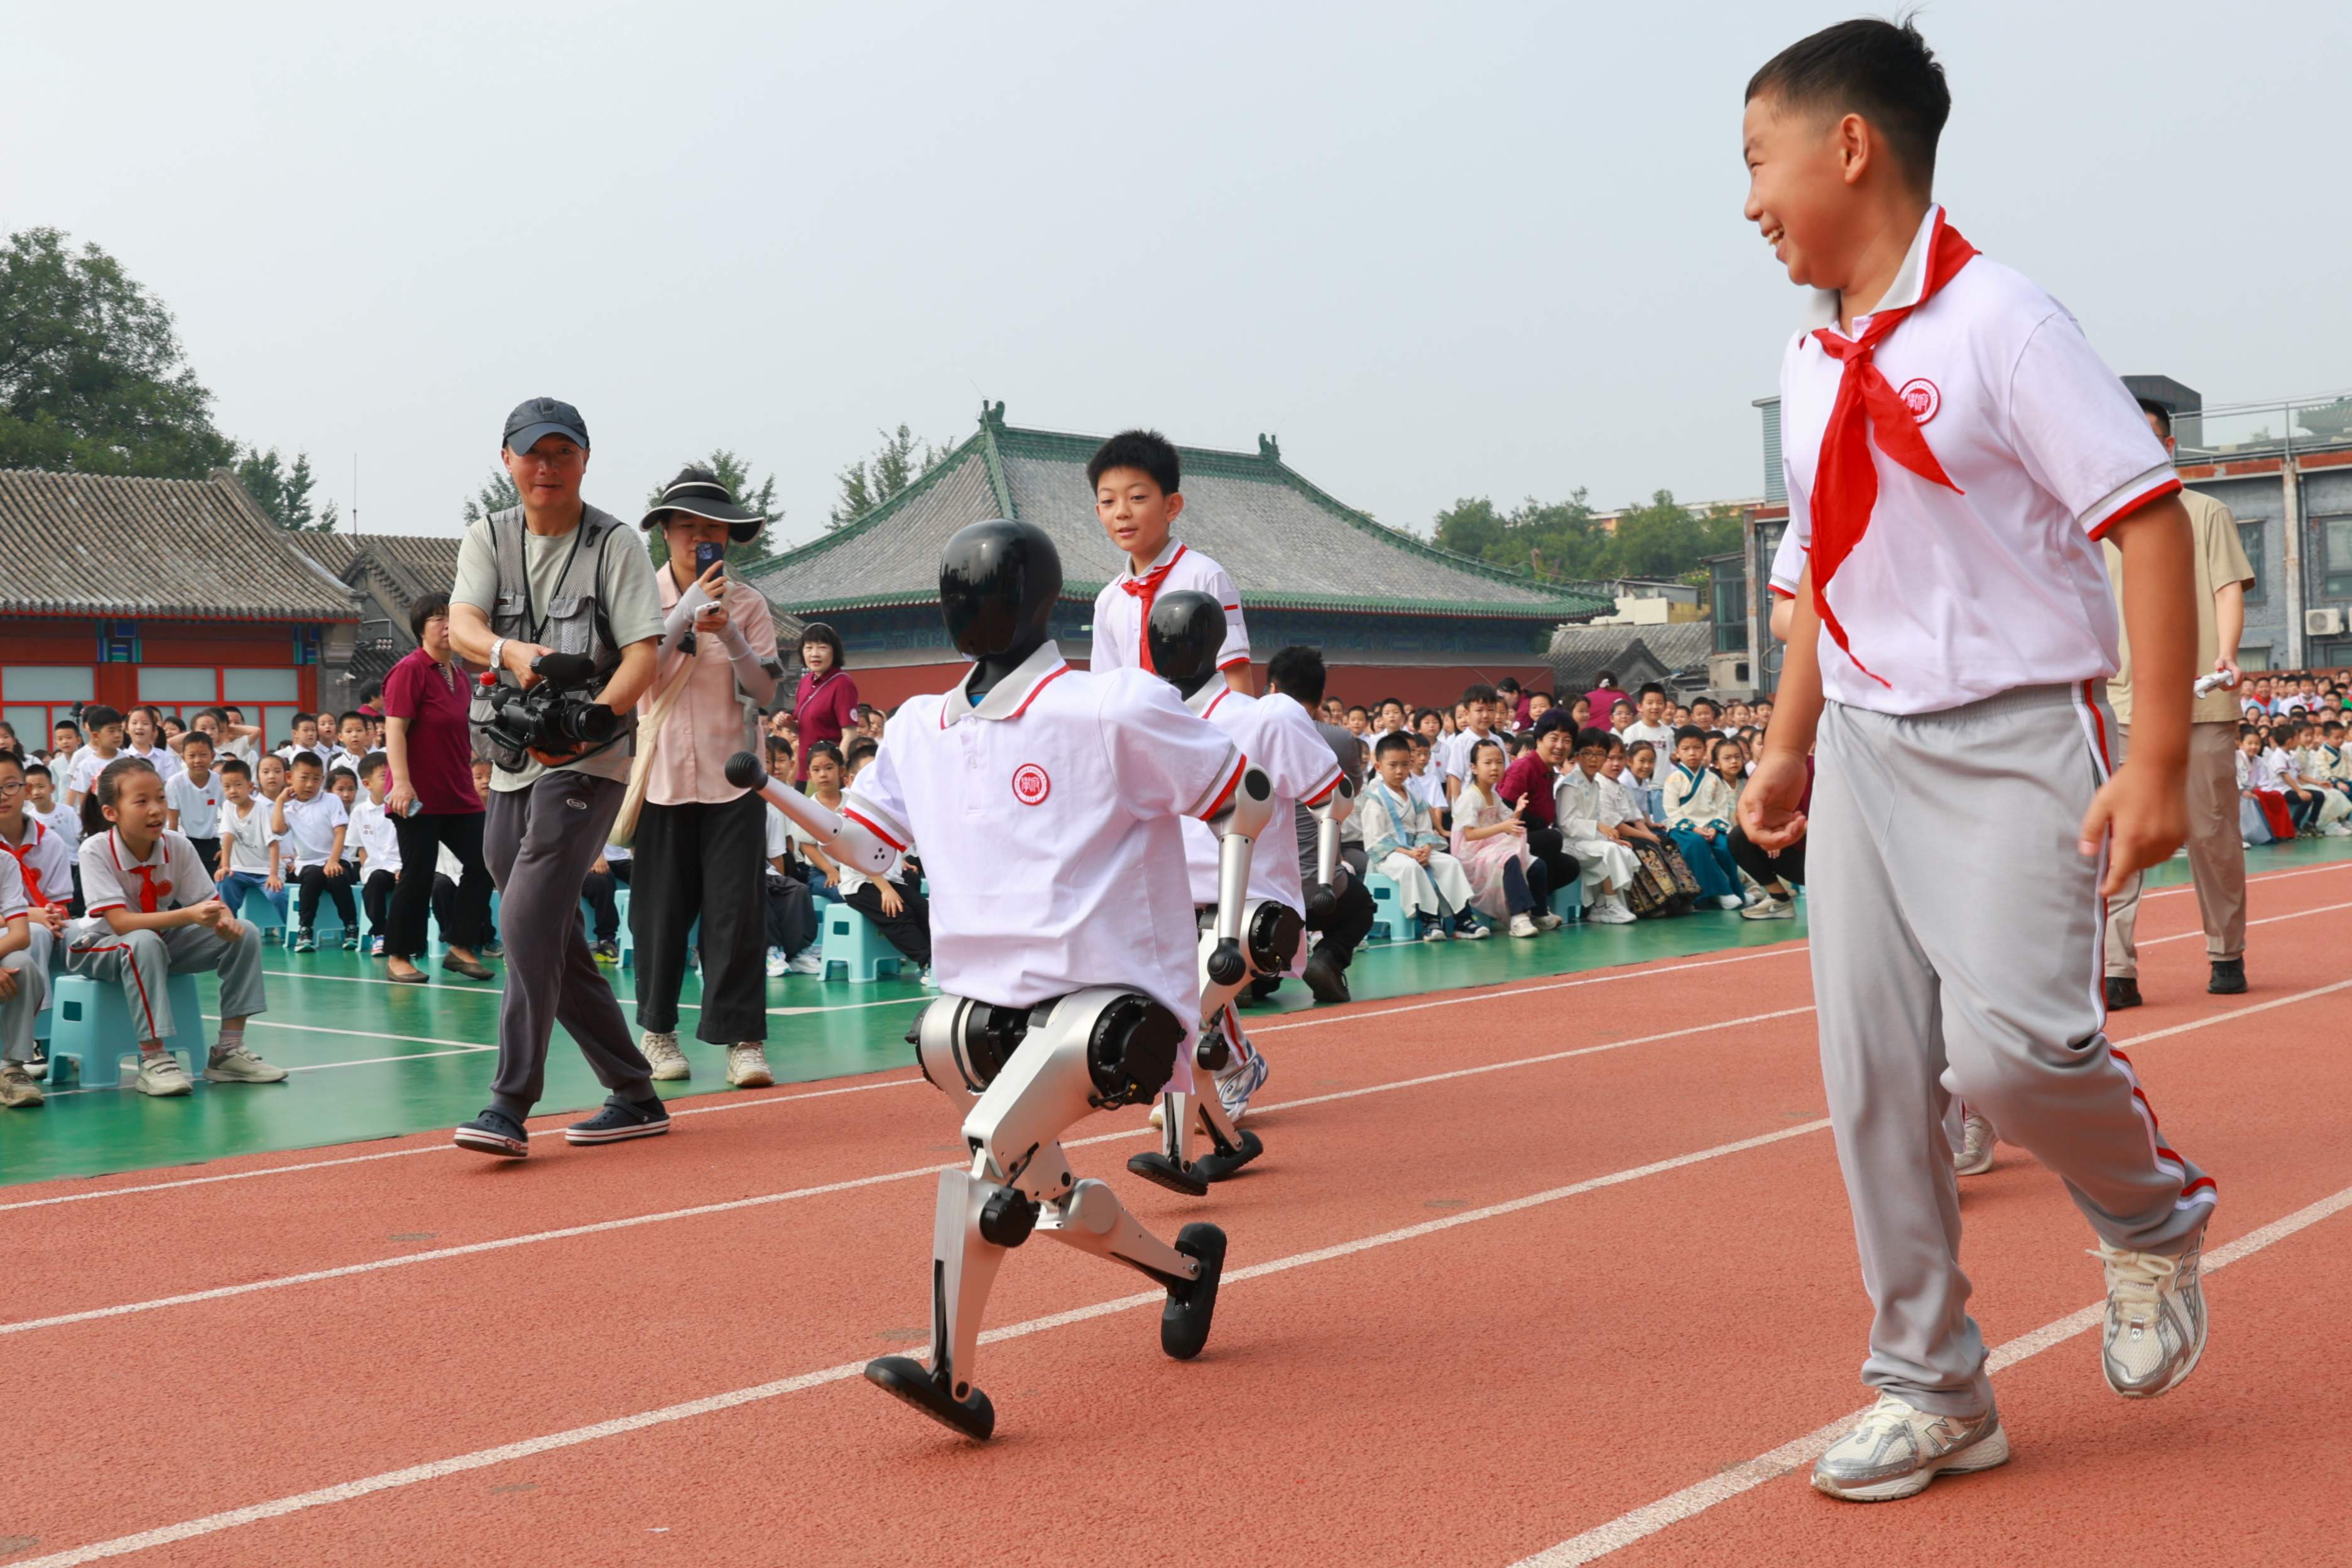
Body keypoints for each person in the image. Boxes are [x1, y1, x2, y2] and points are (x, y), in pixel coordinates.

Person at [1735, 19, 2214, 1503]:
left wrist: (2148, 758)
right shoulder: (1812, 362)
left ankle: (2147, 1211)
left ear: (1849, 147)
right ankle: (1930, 1382)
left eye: (1757, 161)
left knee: (2003, 1054)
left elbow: (2140, 518)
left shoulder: (2002, 322)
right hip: (1865, 755)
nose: (1747, 201)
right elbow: (1818, 578)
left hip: (2011, 736)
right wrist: (1781, 745)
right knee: (1877, 1079)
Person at [766, 516, 1258, 1437]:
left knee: (990, 1155)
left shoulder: (1112, 708)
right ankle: (1184, 1270)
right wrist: (775, 793)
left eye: (986, 588)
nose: (968, 604)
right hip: (983, 1001)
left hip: (1115, 1004)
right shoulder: (921, 726)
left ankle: (951, 1377)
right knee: (1042, 1188)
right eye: (955, 589)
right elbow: (874, 845)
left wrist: (1222, 936)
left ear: (1035, 602)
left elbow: (1246, 801)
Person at [445, 396, 666, 1156]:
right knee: (545, 924)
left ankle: (509, 1104)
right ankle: (635, 1092)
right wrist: (515, 655)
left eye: (561, 452)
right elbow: (465, 626)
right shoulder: (488, 536)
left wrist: (599, 717)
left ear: (584, 458)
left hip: (593, 757)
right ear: (506, 460)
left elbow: (644, 650)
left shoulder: (615, 545)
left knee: (527, 912)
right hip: (515, 756)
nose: (547, 467)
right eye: (532, 453)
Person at [628, 466, 788, 1091]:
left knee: (736, 915)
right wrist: (684, 616)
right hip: (664, 779)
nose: (699, 540)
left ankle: (743, 1043)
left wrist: (732, 636)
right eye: (687, 528)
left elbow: (766, 689)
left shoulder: (748, 603)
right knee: (659, 916)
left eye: (711, 530)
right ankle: (657, 1033)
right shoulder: (640, 598)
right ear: (665, 535)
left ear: (729, 537)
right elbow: (635, 679)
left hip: (733, 780)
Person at [2099, 399, 2258, 1004]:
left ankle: (2227, 951)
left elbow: (2226, 590)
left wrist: (2227, 651)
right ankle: (2117, 967)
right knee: (2123, 834)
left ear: (2168, 446)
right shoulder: (2095, 521)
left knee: (2213, 833)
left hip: (2201, 697)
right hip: (2121, 702)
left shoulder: (2207, 512)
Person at [67, 757, 283, 1097]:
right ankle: (153, 1058)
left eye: (161, 798)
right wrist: (189, 916)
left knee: (246, 933)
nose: (156, 810)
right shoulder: (95, 850)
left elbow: (211, 902)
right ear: (112, 812)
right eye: (141, 802)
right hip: (99, 946)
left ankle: (228, 1051)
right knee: (141, 941)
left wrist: (225, 921)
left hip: (159, 941)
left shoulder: (177, 845)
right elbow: (121, 923)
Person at [1084, 428, 1252, 693]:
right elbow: (1105, 691)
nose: (1121, 512)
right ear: (1098, 512)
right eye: (1108, 501)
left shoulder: (1207, 577)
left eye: (1137, 497)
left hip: (1200, 731)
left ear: (1171, 506)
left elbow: (1236, 674)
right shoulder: (1109, 600)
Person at [381, 592, 494, 984]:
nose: (446, 625)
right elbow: (395, 729)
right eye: (436, 619)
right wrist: (404, 783)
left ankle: (461, 947)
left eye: (451, 618)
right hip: (417, 796)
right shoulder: (410, 670)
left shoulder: (461, 676)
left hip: (458, 792)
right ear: (420, 629)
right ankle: (398, 954)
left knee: (487, 861)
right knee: (418, 873)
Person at [1265, 646, 1377, 1004]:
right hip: (1322, 891)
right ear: (1321, 696)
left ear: (1271, 690)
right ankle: (1327, 960)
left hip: (1259, 892)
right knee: (1362, 906)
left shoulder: (1246, 733)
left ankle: (1256, 978)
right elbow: (1351, 791)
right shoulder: (1340, 740)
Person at [1358, 733, 1483, 940]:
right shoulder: (1374, 799)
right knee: (1410, 867)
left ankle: (1464, 918)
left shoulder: (1415, 798)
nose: (1400, 771)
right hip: (1390, 856)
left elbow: (1425, 831)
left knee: (1450, 863)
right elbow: (1376, 841)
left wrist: (1424, 849)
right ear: (1379, 767)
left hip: (1415, 850)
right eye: (1393, 765)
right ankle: (1429, 920)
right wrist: (1409, 852)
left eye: (1405, 765)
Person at [1451, 738, 1552, 937]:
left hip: (1491, 847)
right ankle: (1518, 917)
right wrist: (1503, 826)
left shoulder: (1494, 795)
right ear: (1474, 768)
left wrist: (1519, 811)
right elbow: (1469, 834)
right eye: (1487, 763)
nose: (1495, 767)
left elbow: (1509, 821)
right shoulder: (1470, 797)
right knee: (1510, 859)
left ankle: (1539, 914)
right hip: (1472, 854)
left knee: (1536, 864)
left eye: (1499, 762)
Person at [1554, 728, 1643, 924]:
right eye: (1588, 753)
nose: (1594, 759)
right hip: (1571, 843)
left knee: (1621, 849)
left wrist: (1613, 837)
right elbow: (1566, 824)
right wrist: (1599, 827)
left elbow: (1595, 822)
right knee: (1609, 851)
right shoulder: (1570, 784)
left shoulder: (1594, 783)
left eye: (1600, 754)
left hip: (1589, 841)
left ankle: (1601, 906)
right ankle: (1610, 904)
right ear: (1577, 756)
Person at [275, 752, 354, 952]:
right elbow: (277, 829)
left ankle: (351, 928)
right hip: (308, 864)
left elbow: (340, 832)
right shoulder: (288, 807)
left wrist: (333, 861)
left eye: (317, 779)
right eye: (304, 778)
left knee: (338, 878)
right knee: (311, 877)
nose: (310, 784)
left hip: (336, 859)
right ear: (289, 778)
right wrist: (279, 802)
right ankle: (305, 931)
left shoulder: (331, 800)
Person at [1663, 728, 1747, 909]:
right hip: (1684, 830)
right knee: (1696, 844)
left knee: (1726, 846)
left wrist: (1715, 828)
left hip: (1710, 827)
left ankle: (1736, 890)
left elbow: (1721, 807)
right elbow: (1672, 809)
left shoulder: (1712, 779)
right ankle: (1721, 893)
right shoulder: (1673, 779)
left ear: (1705, 750)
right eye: (1685, 749)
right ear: (1677, 752)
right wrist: (1694, 828)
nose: (1692, 753)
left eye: (1697, 747)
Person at [212, 758, 287, 937]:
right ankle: (229, 926)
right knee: (223, 882)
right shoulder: (228, 806)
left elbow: (274, 844)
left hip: (265, 870)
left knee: (276, 895)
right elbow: (228, 837)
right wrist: (225, 866)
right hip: (240, 870)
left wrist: (274, 874)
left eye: (238, 785)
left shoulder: (261, 809)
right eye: (227, 786)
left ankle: (294, 930)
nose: (233, 791)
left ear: (250, 786)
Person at [788, 623, 858, 787]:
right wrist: (788, 724)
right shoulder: (805, 682)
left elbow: (850, 734)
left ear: (834, 651)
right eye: (809, 648)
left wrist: (837, 770)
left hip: (827, 775)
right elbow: (806, 727)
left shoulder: (842, 683)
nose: (815, 654)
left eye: (822, 647)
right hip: (805, 771)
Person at [350, 754, 403, 957]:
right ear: (367, 784)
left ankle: (405, 936)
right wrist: (367, 869)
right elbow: (361, 848)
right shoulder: (359, 812)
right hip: (377, 870)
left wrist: (405, 868)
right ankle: (379, 934)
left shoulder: (404, 804)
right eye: (384, 776)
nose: (390, 779)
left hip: (402, 868)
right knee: (374, 881)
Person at [161, 729, 225, 874]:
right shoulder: (175, 783)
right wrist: (174, 851)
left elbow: (229, 815)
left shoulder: (220, 782)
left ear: (213, 756)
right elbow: (173, 823)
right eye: (192, 756)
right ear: (183, 757)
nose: (198, 760)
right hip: (185, 841)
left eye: (203, 755)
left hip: (214, 842)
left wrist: (226, 850)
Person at [65, 704, 126, 808]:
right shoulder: (85, 766)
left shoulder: (127, 760)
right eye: (111, 731)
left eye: (120, 730)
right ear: (96, 735)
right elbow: (84, 802)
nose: (117, 735)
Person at [1622, 683, 1678, 754]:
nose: (1655, 707)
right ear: (1640, 707)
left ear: (1665, 706)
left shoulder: (1669, 732)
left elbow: (1672, 758)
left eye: (1660, 703)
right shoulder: (1631, 732)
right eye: (1650, 703)